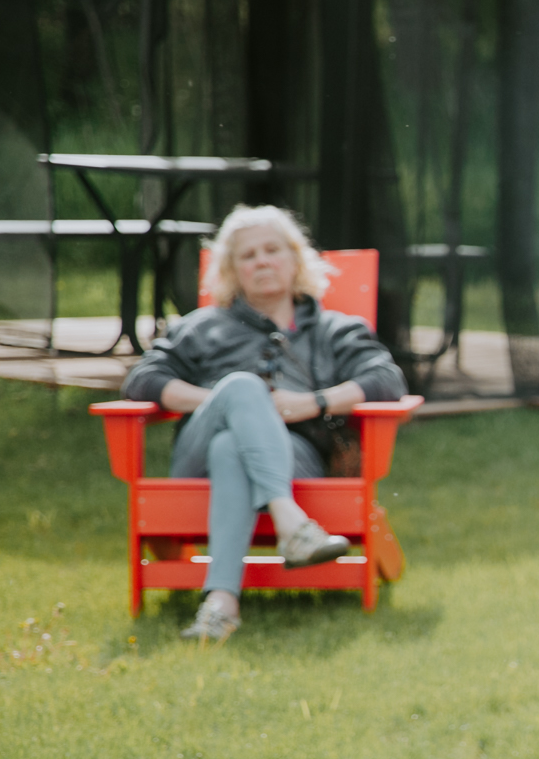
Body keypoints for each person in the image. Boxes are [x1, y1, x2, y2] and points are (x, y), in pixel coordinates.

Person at [122, 205, 407, 642]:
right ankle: (293, 527)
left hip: (297, 460)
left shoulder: (333, 329)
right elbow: (142, 379)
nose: (262, 261)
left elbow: (387, 379)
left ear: (295, 259)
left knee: (230, 449)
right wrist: (230, 401)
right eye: (248, 255)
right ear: (232, 270)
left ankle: (221, 603)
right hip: (195, 462)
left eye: (273, 250)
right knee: (240, 388)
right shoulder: (202, 327)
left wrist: (311, 402)